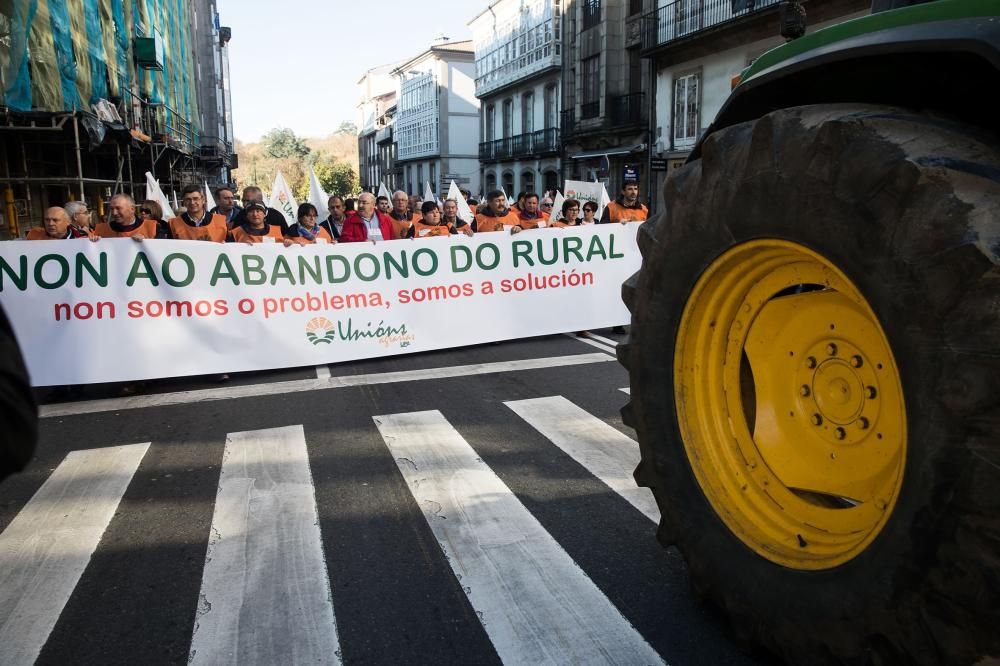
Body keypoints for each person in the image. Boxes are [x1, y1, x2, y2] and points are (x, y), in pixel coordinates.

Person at [229, 201, 295, 245]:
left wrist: (291, 245)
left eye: (258, 211)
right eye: (251, 211)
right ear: (247, 215)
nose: (255, 214)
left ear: (264, 214)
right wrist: (242, 247)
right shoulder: (236, 232)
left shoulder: (276, 231)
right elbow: (229, 252)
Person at [26, 207, 96, 240]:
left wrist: (96, 241)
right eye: (47, 220)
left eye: (55, 220)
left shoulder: (83, 237)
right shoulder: (36, 235)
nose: (50, 223)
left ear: (68, 222)